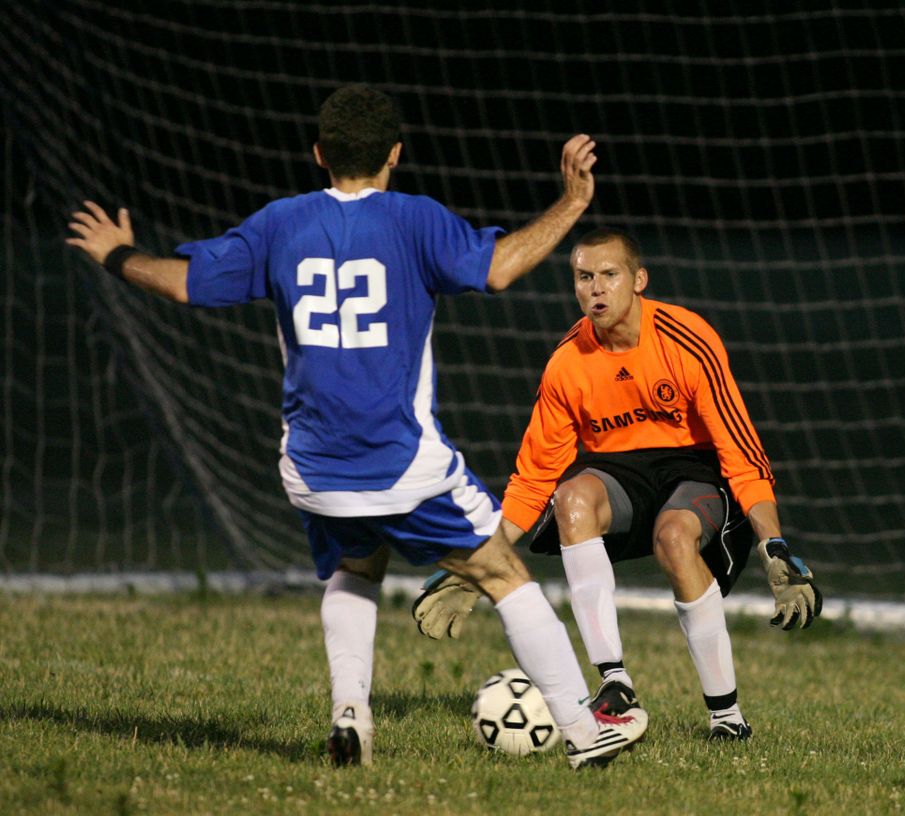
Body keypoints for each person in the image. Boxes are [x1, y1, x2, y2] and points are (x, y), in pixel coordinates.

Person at [66, 85, 648, 769]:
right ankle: (586, 734)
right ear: (395, 154)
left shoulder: (280, 224)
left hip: (312, 470)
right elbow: (498, 269)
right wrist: (573, 203)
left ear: (319, 154)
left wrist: (115, 255)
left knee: (356, 563)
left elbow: (184, 283)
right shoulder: (413, 219)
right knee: (503, 574)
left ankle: (350, 715)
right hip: (401, 465)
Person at [413, 226, 822, 741]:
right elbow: (533, 478)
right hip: (621, 475)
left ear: (639, 280)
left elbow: (741, 452)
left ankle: (727, 717)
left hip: (693, 471)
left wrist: (773, 544)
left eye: (609, 275)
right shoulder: (567, 363)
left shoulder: (687, 339)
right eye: (585, 277)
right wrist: (482, 560)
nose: (596, 288)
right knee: (571, 497)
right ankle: (615, 683)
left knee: (675, 537)